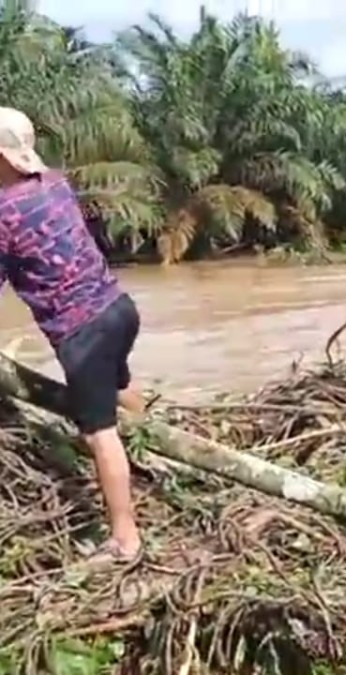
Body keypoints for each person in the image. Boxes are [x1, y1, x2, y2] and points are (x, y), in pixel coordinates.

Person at [0, 106, 146, 562]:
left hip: (83, 335)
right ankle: (148, 435)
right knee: (119, 384)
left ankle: (125, 539)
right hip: (120, 309)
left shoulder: (2, 215)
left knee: (98, 434)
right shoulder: (56, 184)